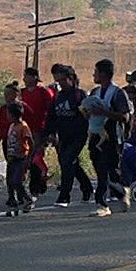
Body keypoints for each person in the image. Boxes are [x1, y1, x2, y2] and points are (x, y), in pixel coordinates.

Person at [83, 59, 132, 216]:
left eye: (96, 72)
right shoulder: (94, 92)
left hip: (111, 136)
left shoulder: (118, 93)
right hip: (95, 135)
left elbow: (125, 117)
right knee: (101, 169)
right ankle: (121, 191)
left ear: (103, 74)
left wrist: (104, 113)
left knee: (107, 168)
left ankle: (102, 204)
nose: (94, 75)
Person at [43, 64, 92, 206]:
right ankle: (86, 186)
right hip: (63, 136)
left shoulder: (79, 95)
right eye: (58, 81)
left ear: (71, 79)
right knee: (70, 162)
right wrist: (50, 133)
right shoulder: (58, 97)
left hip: (78, 135)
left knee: (67, 161)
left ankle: (65, 195)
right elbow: (51, 117)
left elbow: (85, 115)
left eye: (63, 80)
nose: (61, 84)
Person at [18, 67, 54, 196]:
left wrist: (50, 131)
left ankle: (40, 178)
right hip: (25, 129)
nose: (24, 79)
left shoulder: (44, 92)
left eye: (27, 76)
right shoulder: (22, 93)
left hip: (40, 128)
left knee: (36, 155)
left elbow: (51, 110)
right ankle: (35, 182)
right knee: (26, 156)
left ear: (34, 77)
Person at [0, 101, 36, 216]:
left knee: (17, 181)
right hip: (11, 158)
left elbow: (31, 143)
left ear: (14, 114)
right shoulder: (11, 126)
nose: (7, 116)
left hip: (21, 158)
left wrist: (29, 158)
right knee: (9, 181)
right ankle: (12, 199)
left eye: (8, 114)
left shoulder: (23, 127)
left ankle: (28, 199)